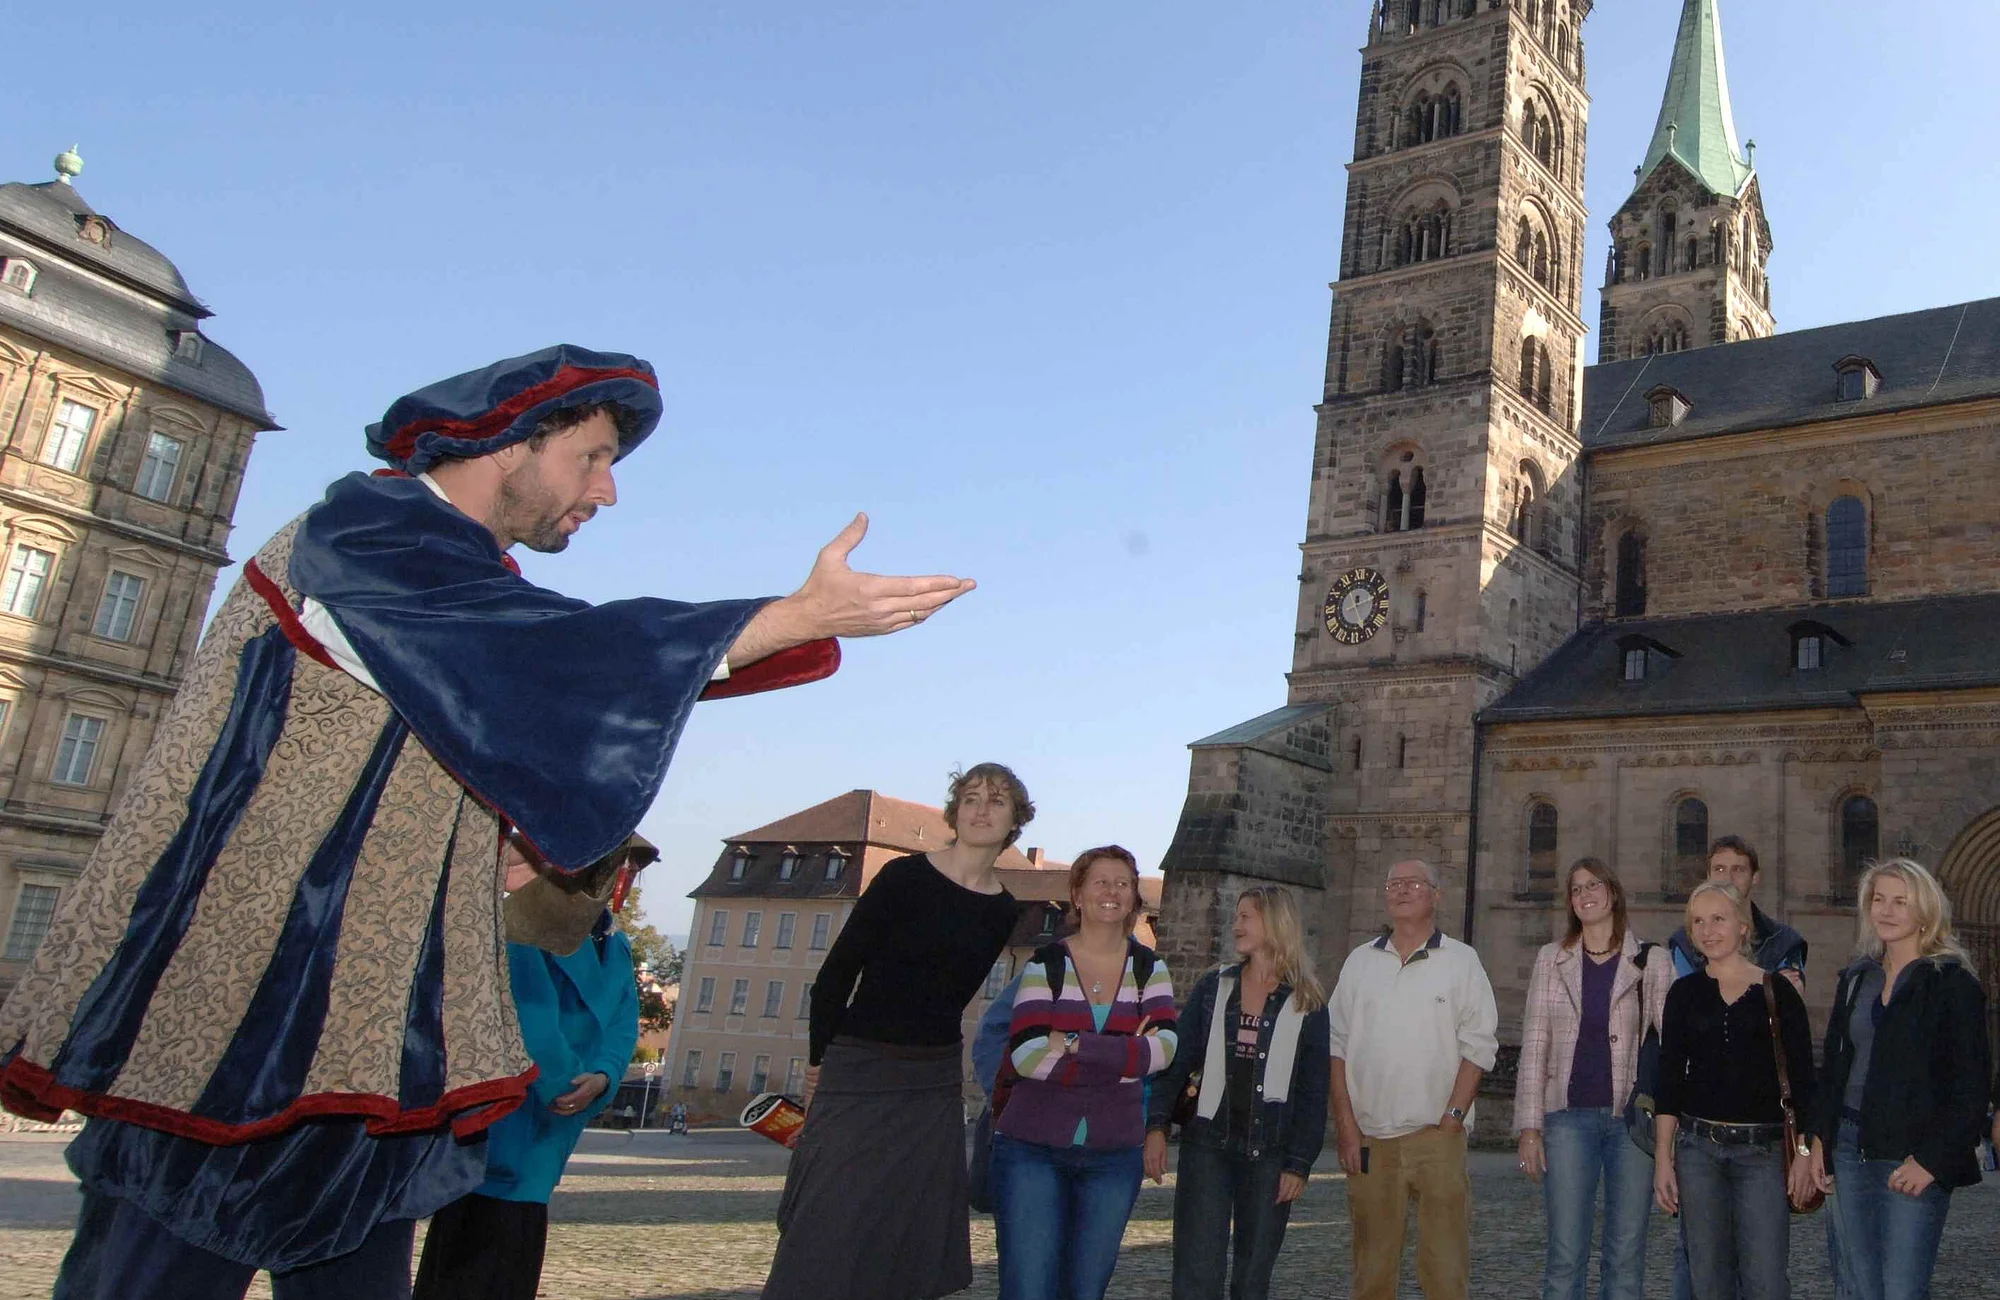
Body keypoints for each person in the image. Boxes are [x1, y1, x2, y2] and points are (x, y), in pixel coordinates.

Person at [0, 344, 973, 1299]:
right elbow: (546, 664)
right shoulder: (365, 534)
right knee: (157, 1265)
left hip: (363, 1026)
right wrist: (793, 618)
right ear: (511, 440)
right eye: (591, 458)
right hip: (245, 1001)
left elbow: (527, 682)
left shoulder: (457, 581)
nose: (606, 492)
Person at [763, 764, 1030, 1300]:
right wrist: (820, 1062)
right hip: (861, 1062)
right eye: (971, 798)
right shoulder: (904, 877)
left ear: (1014, 822)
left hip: (932, 1079)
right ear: (955, 812)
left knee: (911, 1220)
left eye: (996, 801)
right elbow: (836, 975)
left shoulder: (1003, 910)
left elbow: (948, 999)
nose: (981, 809)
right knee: (829, 1213)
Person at [412, 834, 652, 1300]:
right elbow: (530, 1019)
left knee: (516, 1248)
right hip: (514, 1111)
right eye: (621, 865)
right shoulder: (525, 927)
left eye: (633, 869)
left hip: (558, 1119)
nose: (626, 878)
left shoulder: (614, 942)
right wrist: (568, 1086)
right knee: (476, 1250)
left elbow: (624, 1022)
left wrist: (603, 1077)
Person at [991, 845, 1178, 1300]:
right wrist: (1123, 1058)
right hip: (1032, 1149)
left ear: (1134, 897)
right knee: (1028, 1289)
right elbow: (1027, 1055)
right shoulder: (1046, 964)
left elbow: (1164, 1051)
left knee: (1085, 1290)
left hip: (1113, 1155)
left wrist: (1074, 1042)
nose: (1112, 891)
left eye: (1123, 883)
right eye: (1101, 882)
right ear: (1077, 895)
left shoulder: (1150, 968)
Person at [1800, 859, 1990, 1300]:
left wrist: (1932, 1161)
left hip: (1912, 1156)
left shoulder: (1953, 984)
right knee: (1858, 1288)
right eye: (1878, 899)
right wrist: (1818, 1141)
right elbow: (1834, 1071)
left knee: (1903, 1289)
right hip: (1848, 1149)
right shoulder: (1856, 978)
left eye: (1900, 901)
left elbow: (1971, 1086)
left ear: (1925, 910)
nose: (1885, 910)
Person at [1146, 885, 1329, 1300]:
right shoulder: (1215, 986)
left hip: (1271, 1154)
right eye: (1236, 916)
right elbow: (1177, 1060)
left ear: (1275, 922)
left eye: (1246, 916)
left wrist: (1299, 1164)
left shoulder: (1308, 1001)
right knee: (1196, 1274)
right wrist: (1156, 1126)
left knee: (1252, 1279)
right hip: (1207, 1147)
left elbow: (1314, 1091)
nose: (1236, 925)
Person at [1328, 859, 1499, 1300]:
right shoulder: (1359, 962)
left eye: (1414, 884)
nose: (1402, 890)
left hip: (1436, 1137)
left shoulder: (1461, 961)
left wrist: (1453, 1118)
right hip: (1370, 1138)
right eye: (1394, 884)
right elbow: (1335, 1046)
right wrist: (1346, 1128)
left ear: (1436, 896)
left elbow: (1479, 1044)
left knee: (1445, 1270)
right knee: (1372, 1270)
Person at [1515, 860, 1671, 1300]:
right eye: (1576, 889)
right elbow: (1535, 1043)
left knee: (1626, 1256)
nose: (1585, 894)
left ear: (1613, 893)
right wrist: (1530, 1128)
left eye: (1594, 885)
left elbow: (1673, 1044)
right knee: (1565, 1254)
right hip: (1567, 1119)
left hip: (1631, 1123)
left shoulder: (1652, 960)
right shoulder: (1551, 959)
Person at [1653, 882, 1816, 1300]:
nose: (1707, 930)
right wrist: (1663, 1160)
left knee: (1766, 1282)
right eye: (1698, 922)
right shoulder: (1683, 994)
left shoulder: (1778, 992)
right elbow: (1668, 1082)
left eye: (1718, 919)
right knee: (1708, 1281)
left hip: (1762, 1154)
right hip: (1698, 1152)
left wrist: (1803, 1154)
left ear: (1743, 926)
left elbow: (1803, 1081)